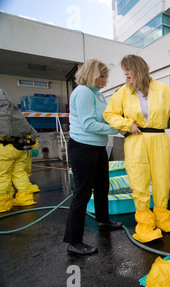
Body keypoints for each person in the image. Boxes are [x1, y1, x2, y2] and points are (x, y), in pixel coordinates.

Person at [103, 54, 170, 243]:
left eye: (128, 69)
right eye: (124, 70)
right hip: (136, 140)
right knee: (139, 182)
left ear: (138, 68)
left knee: (162, 180)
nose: (125, 73)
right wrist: (126, 124)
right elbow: (109, 113)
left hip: (159, 138)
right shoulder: (123, 92)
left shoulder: (164, 89)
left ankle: (163, 219)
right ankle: (145, 225)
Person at [64, 59, 123, 255]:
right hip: (82, 147)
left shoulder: (96, 94)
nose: (105, 80)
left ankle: (103, 221)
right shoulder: (82, 92)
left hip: (97, 147)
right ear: (92, 75)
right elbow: (88, 124)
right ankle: (74, 241)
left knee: (101, 186)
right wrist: (117, 128)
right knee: (82, 194)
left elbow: (104, 116)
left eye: (106, 76)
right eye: (102, 76)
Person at [0, 89, 39, 212]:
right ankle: (25, 198)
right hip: (19, 148)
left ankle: (3, 203)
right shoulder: (16, 115)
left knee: (3, 176)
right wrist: (35, 146)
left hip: (4, 149)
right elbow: (30, 131)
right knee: (19, 174)